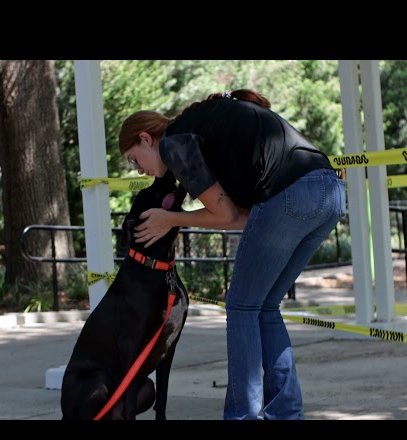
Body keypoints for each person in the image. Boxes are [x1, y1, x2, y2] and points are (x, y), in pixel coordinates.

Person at [118, 89, 346, 420]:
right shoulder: (206, 135)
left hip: (294, 194)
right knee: (265, 306)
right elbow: (241, 219)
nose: (138, 170)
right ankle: (286, 413)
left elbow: (227, 217)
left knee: (241, 306)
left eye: (133, 159)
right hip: (330, 194)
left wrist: (169, 219)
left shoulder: (174, 141)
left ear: (146, 139)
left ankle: (243, 416)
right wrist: (173, 219)